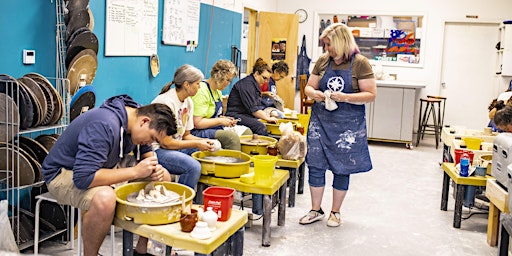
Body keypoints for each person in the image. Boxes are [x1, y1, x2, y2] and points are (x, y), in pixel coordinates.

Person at [40, 95, 178, 256]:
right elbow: (84, 178)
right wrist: (135, 172)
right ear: (144, 122)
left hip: (103, 167)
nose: (149, 143)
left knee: (164, 178)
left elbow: (147, 154)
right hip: (64, 173)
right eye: (152, 139)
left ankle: (142, 248)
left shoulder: (137, 115)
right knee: (105, 198)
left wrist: (155, 168)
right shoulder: (103, 125)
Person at [299, 23, 377, 227]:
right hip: (320, 122)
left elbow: (370, 94)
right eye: (325, 45)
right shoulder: (323, 61)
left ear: (341, 42)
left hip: (347, 126)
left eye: (329, 45)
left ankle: (335, 212)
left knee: (342, 168)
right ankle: (315, 210)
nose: (326, 49)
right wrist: (313, 93)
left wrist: (346, 97)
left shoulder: (360, 63)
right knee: (315, 165)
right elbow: (308, 87)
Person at [151, 64, 214, 189]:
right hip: (157, 150)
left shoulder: (188, 102)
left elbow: (186, 135)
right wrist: (196, 144)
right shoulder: (165, 102)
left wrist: (204, 142)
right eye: (197, 84)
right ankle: (179, 202)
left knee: (208, 154)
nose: (200, 87)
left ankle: (198, 199)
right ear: (186, 84)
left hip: (174, 146)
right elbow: (166, 143)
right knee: (193, 167)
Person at [190, 59, 250, 150]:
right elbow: (197, 123)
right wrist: (220, 121)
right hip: (198, 131)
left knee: (247, 132)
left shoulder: (218, 92)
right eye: (227, 80)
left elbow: (214, 116)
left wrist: (225, 119)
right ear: (218, 76)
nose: (228, 83)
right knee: (231, 138)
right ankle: (231, 163)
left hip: (212, 127)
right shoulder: (202, 91)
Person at [225, 58, 278, 135]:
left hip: (245, 114)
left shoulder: (254, 84)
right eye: (264, 78)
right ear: (256, 74)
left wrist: (267, 116)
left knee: (265, 123)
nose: (266, 81)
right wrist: (268, 118)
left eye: (268, 79)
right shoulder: (247, 85)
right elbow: (254, 109)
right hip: (235, 115)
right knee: (260, 126)